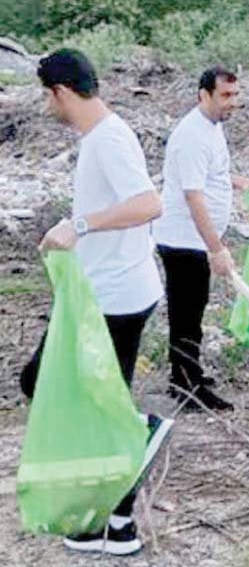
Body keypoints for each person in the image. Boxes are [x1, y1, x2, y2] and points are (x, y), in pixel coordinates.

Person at [22, 48, 173, 556]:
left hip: (119, 297)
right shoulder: (99, 138)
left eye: (47, 95)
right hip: (106, 290)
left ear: (62, 91)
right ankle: (109, 523)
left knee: (66, 391)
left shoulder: (109, 139)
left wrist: (79, 225)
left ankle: (139, 444)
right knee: (78, 394)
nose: (47, 106)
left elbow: (150, 203)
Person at [153, 66, 249, 411]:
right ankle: (189, 387)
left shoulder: (212, 128)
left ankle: (183, 374)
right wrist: (216, 248)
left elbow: (211, 174)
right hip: (185, 240)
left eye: (236, 95)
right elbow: (194, 195)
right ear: (204, 95)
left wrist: (239, 180)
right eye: (226, 96)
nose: (233, 103)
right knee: (187, 313)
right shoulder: (191, 136)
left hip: (193, 239)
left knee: (192, 311)